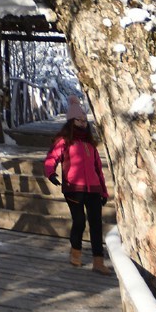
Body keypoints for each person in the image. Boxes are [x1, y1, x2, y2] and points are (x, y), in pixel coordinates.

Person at [44, 95, 110, 274]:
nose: (82, 123)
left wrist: (104, 192)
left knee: (96, 224)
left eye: (84, 120)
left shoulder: (90, 144)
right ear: (71, 121)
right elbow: (52, 158)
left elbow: (98, 170)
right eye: (78, 120)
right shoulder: (64, 140)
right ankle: (76, 254)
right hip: (73, 188)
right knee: (79, 221)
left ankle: (98, 261)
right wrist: (50, 172)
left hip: (94, 189)